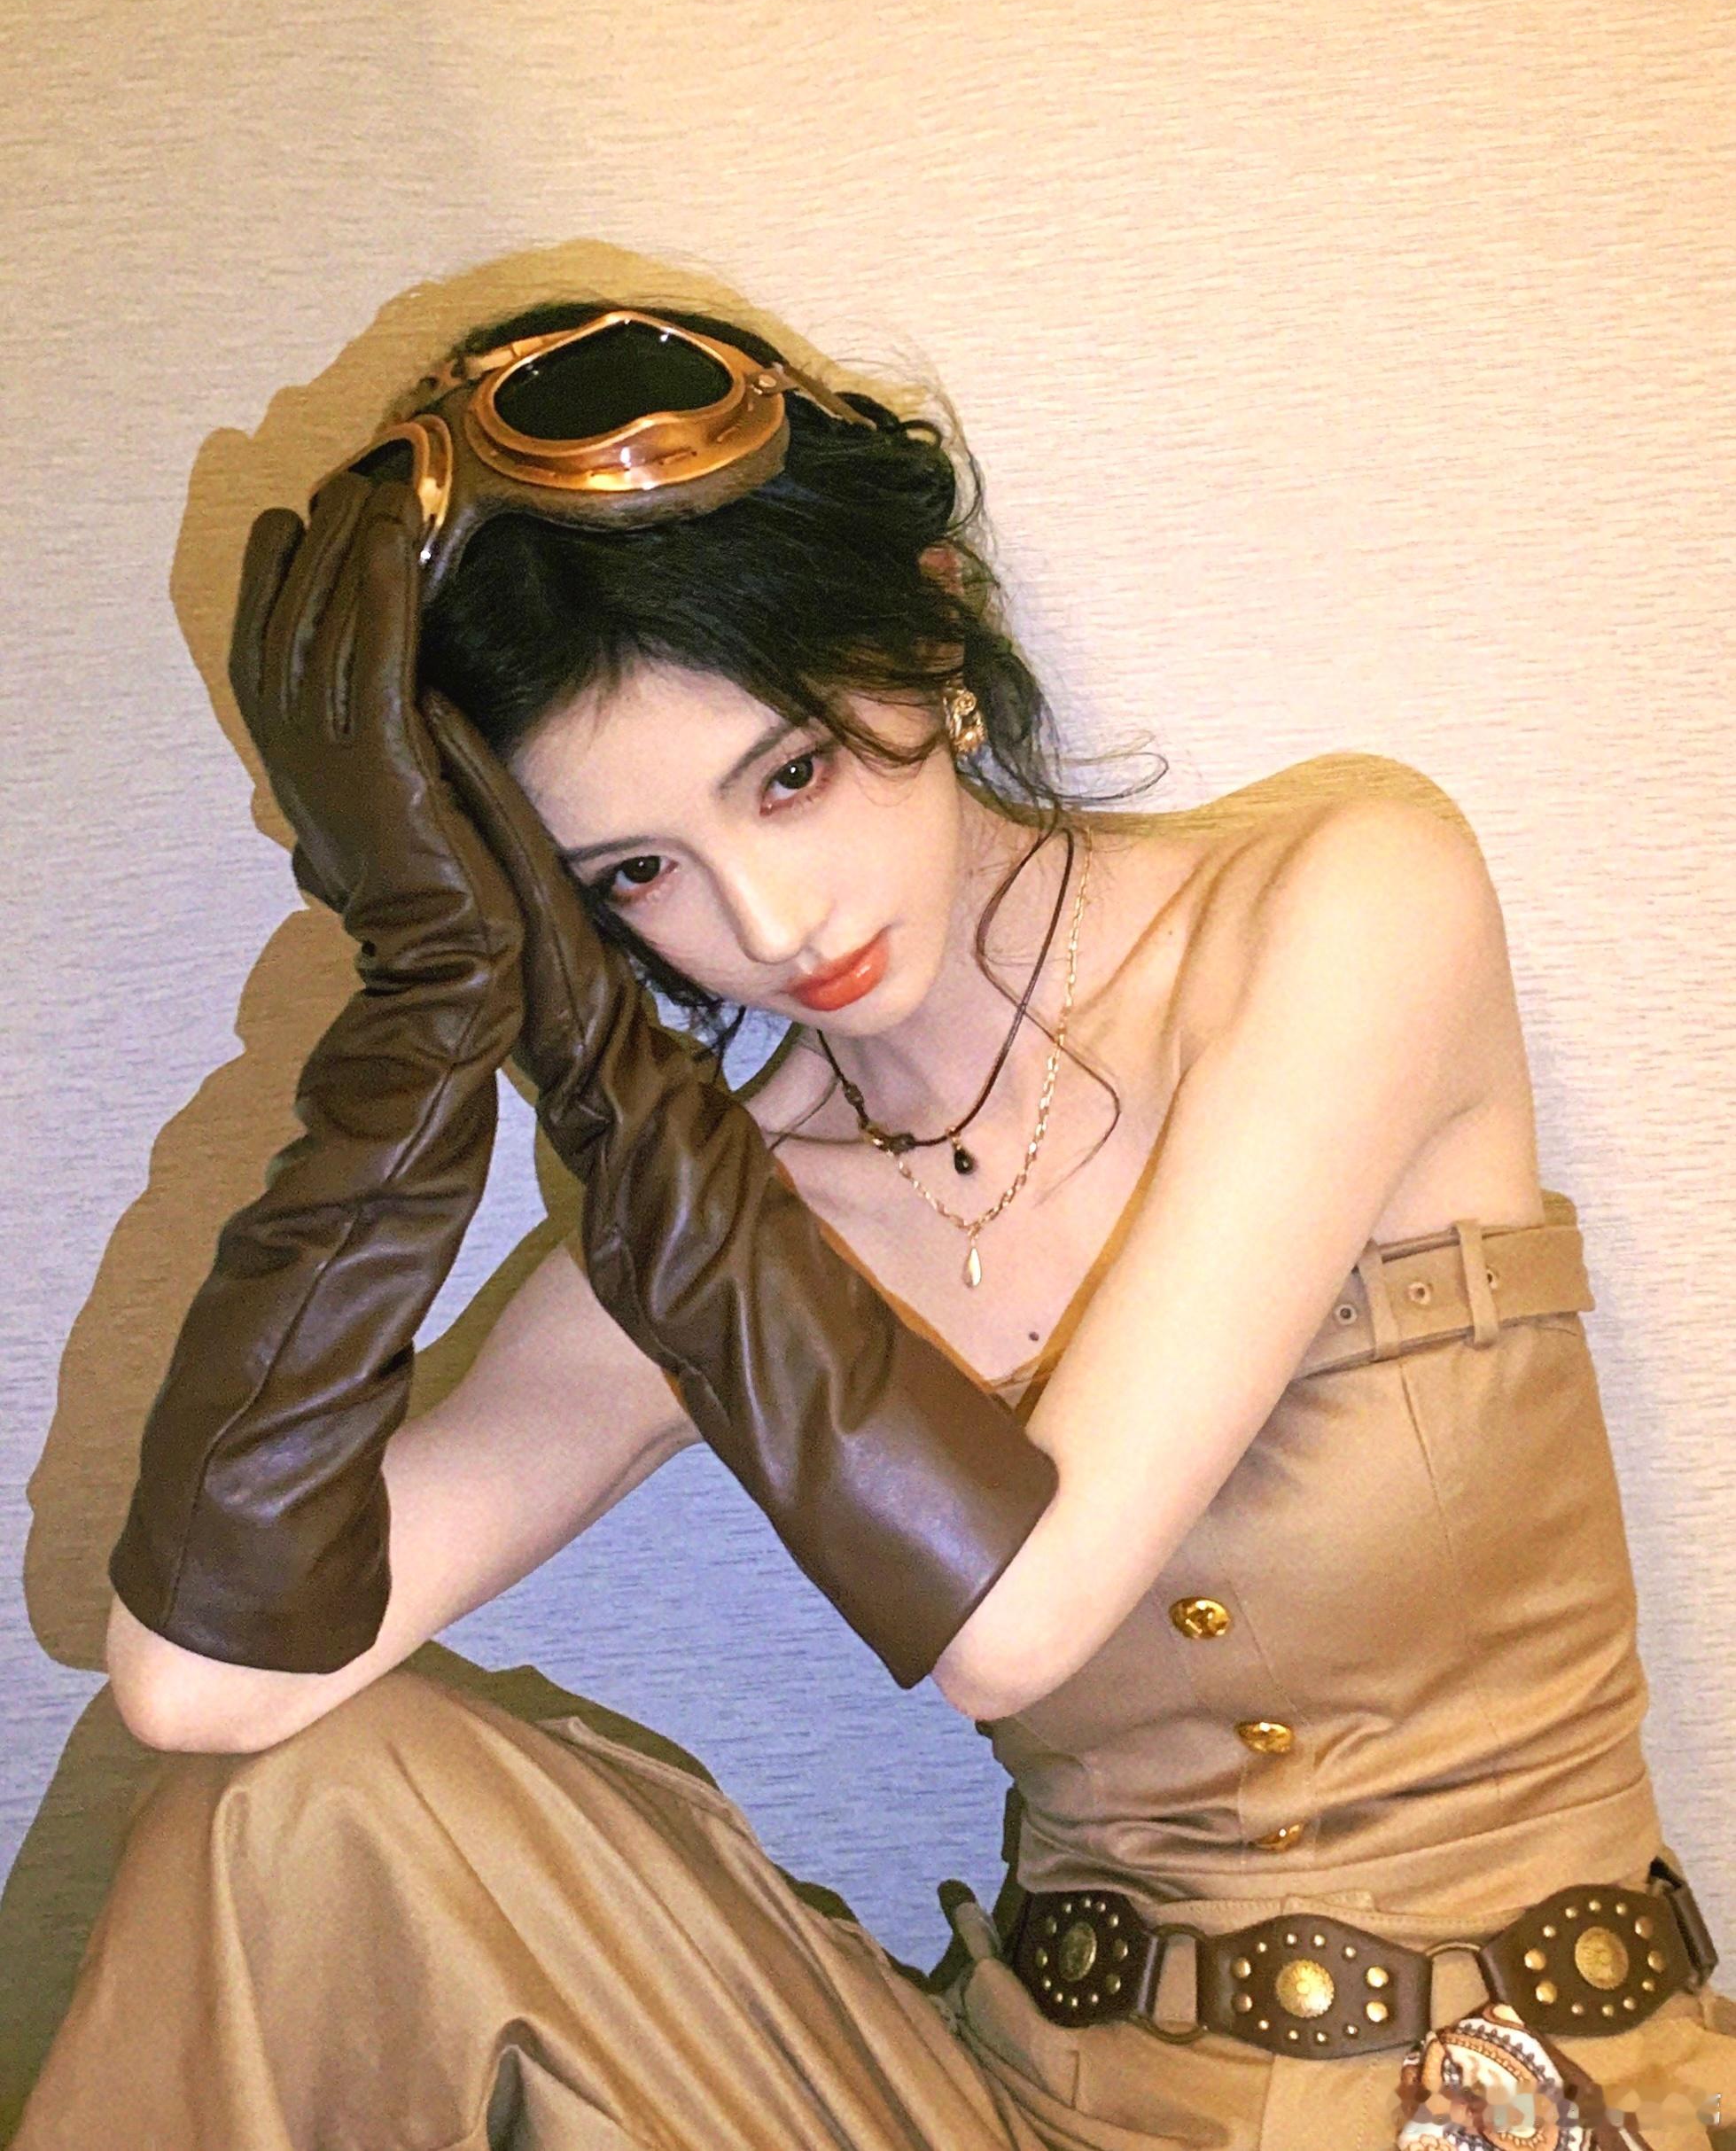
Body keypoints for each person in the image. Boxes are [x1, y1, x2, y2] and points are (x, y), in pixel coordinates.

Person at [15, 300, 1735, 2151]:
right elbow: (200, 1682)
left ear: (929, 624)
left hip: (1543, 2094)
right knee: (298, 1810)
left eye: (789, 773)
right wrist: (428, 997)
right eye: (633, 872)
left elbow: (1021, 1617)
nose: (764, 923)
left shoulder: (1344, 908)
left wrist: (625, 1105)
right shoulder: (715, 1214)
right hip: (1022, 2114)